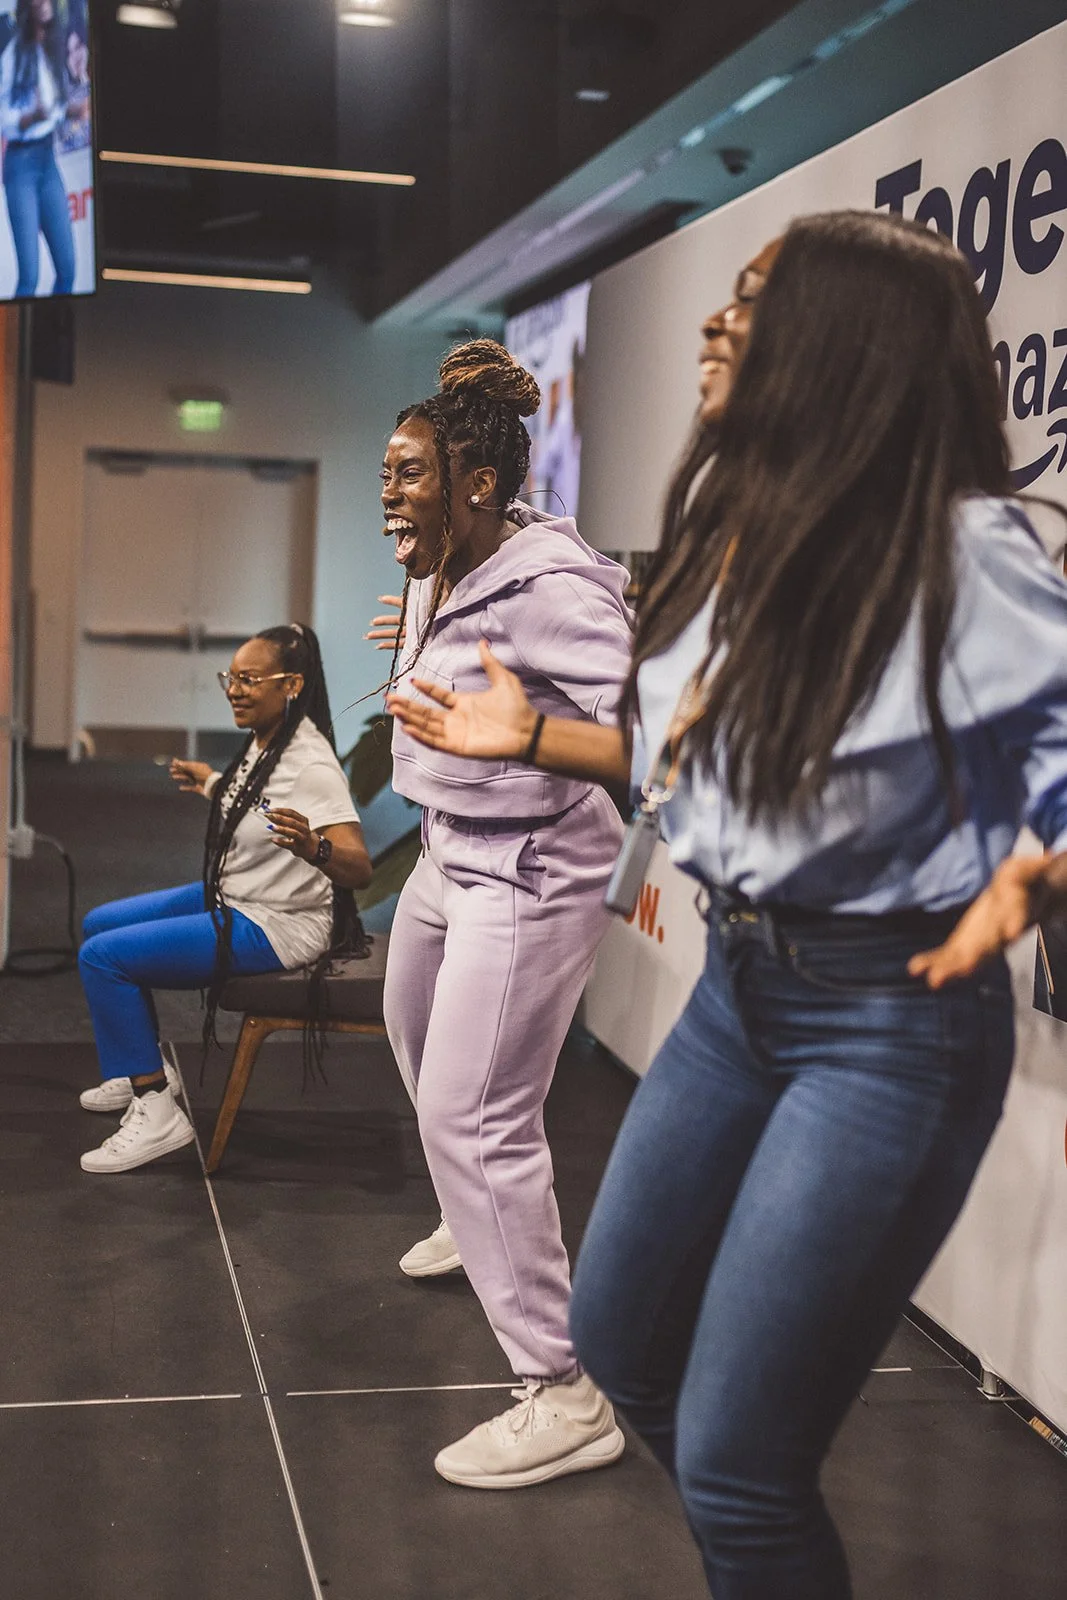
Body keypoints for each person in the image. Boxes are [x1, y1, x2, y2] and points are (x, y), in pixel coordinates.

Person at [388, 212, 1067, 1593]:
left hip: (886, 1018)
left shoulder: (964, 546)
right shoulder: (742, 530)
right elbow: (715, 759)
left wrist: (1031, 868)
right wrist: (526, 737)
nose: (713, 324)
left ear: (843, 346)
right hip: (737, 988)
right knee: (625, 1352)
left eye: (750, 304)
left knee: (739, 1463)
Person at [376, 339, 634, 1488]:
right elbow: (461, 555)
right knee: (414, 1037)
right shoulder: (456, 550)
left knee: (474, 1116)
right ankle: (475, 1227)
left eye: (407, 472)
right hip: (446, 849)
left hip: (524, 867)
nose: (388, 491)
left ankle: (561, 1389)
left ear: (476, 484)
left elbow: (645, 734)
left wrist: (523, 731)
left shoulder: (557, 587)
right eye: (382, 470)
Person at [78, 624, 372, 1175]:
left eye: (249, 679)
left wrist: (314, 845)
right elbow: (257, 802)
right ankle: (133, 1059)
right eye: (230, 678)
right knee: (99, 924)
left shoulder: (309, 761)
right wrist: (212, 781)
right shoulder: (265, 741)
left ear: (291, 684)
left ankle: (157, 1109)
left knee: (102, 958)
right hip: (237, 894)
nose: (234, 689)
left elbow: (360, 866)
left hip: (279, 923)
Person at [0, 0, 84, 298]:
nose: (45, 2)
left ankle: (54, 330)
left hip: (47, 160)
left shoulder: (50, 49)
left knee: (68, 268)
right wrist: (31, 117)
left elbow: (51, 107)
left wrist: (69, 111)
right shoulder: (12, 56)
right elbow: (5, 118)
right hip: (21, 164)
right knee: (30, 277)